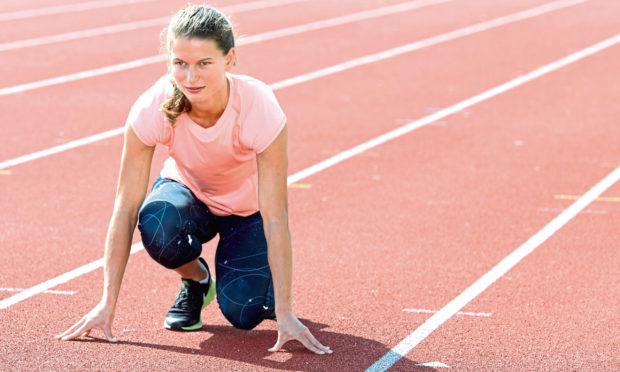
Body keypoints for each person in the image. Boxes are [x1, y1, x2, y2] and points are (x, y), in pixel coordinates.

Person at [55, 4, 331, 355]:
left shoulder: (258, 106)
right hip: (188, 196)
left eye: (204, 63)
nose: (190, 77)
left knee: (244, 313)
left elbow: (276, 217)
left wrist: (286, 312)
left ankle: (257, 291)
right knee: (157, 222)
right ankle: (197, 280)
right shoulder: (153, 107)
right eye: (179, 63)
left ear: (230, 59)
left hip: (246, 212)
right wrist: (107, 303)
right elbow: (124, 208)